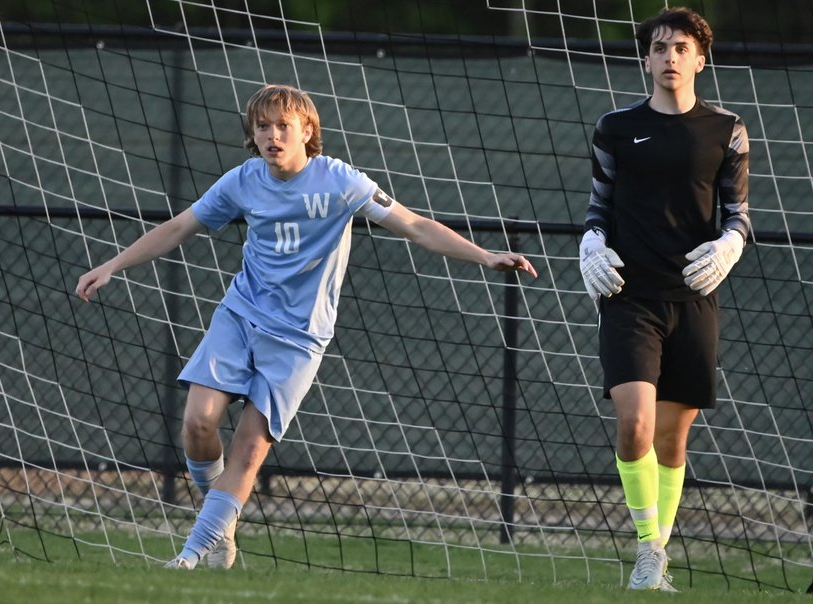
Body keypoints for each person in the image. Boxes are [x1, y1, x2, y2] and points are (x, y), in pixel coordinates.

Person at [75, 84, 536, 570]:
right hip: (242, 315)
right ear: (252, 135)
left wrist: (485, 255)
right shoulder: (242, 180)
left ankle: (192, 553)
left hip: (299, 337)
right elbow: (178, 227)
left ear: (307, 131)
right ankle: (220, 522)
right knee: (197, 424)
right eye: (262, 127)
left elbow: (416, 225)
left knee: (250, 448)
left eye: (283, 126)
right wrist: (112, 265)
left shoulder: (340, 181)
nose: (272, 136)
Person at [578, 6, 750, 592]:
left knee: (673, 439)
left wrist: (731, 242)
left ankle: (659, 553)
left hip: (695, 297)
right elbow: (599, 205)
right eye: (659, 47)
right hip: (629, 295)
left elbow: (740, 213)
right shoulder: (614, 128)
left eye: (681, 47)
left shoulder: (726, 129)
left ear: (700, 58)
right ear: (645, 59)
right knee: (635, 425)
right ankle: (646, 550)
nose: (669, 57)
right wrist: (590, 241)